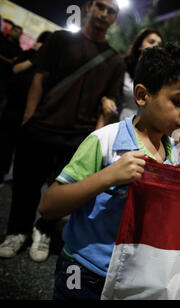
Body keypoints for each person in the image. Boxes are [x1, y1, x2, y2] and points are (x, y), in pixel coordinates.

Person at [37, 44, 180, 300]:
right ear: (142, 95)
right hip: (83, 273)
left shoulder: (173, 156)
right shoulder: (105, 141)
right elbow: (49, 206)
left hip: (132, 278)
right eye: (179, 102)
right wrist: (108, 176)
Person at [0, 0, 124, 263]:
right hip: (41, 125)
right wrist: (29, 117)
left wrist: (96, 136)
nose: (104, 14)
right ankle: (17, 231)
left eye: (111, 11)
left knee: (61, 191)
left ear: (115, 18)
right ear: (90, 7)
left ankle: (43, 231)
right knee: (25, 186)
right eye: (101, 7)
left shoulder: (114, 60)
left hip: (77, 137)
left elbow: (110, 100)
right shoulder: (60, 40)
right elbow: (39, 78)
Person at [0, 31, 52, 185]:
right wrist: (35, 58)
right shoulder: (29, 54)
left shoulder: (51, 65)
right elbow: (15, 69)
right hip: (14, 108)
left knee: (24, 149)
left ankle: (15, 176)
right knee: (5, 143)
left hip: (33, 114)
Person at [119, 28, 163, 121]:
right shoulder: (122, 67)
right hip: (118, 124)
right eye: (151, 42)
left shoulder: (160, 77)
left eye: (159, 45)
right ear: (140, 45)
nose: (155, 46)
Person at [0, 24, 23, 116]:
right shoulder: (1, 41)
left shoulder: (19, 50)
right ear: (11, 31)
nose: (17, 34)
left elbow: (15, 64)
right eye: (16, 31)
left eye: (19, 33)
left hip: (4, 80)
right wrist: (8, 60)